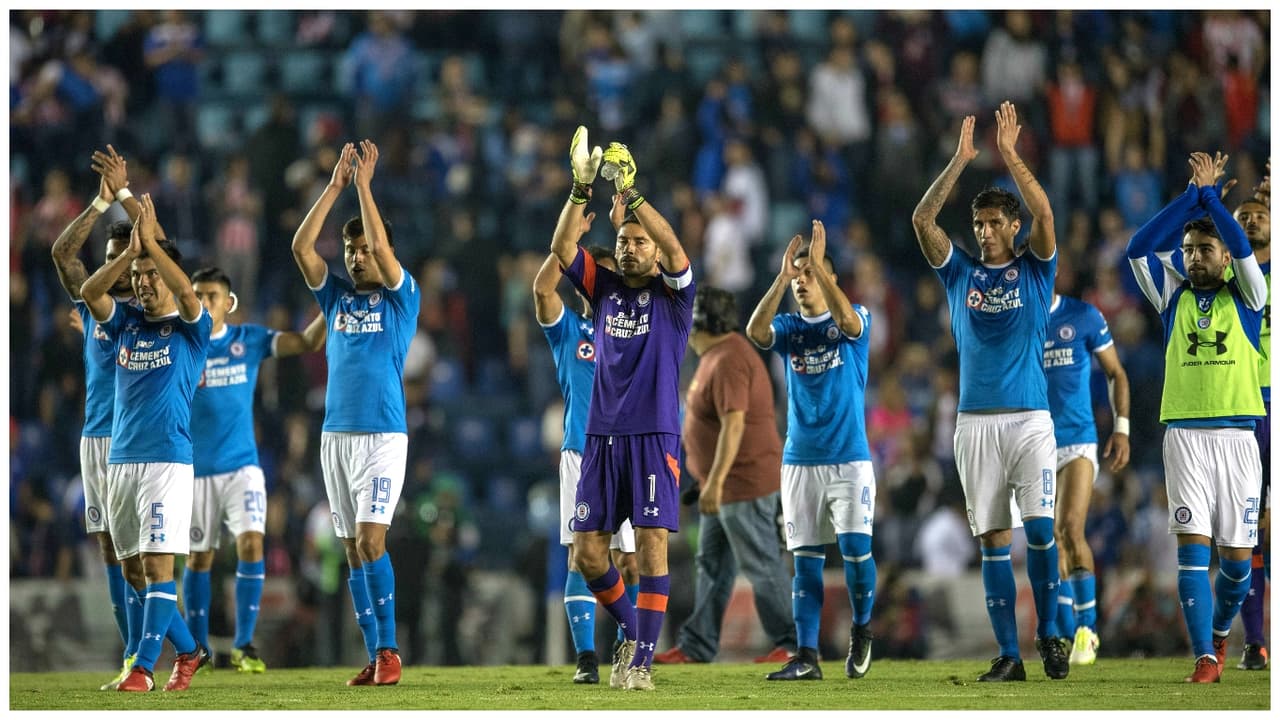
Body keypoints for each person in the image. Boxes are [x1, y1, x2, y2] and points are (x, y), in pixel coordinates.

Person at [910, 103, 1068, 682]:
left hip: (1030, 418)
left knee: (1043, 531)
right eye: (979, 225)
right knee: (994, 541)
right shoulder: (959, 275)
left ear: (1013, 226)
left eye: (996, 222)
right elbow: (923, 222)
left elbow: (1047, 215)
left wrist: (1012, 157)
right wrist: (959, 161)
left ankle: (1051, 631)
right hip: (974, 422)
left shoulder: (1035, 270)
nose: (985, 231)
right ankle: (1009, 655)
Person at [552, 127, 695, 691]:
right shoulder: (605, 288)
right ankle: (638, 635)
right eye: (627, 241)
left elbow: (679, 248)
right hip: (600, 437)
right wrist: (581, 189)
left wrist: (633, 198)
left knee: (653, 548)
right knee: (589, 556)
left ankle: (639, 664)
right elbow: (564, 250)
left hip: (654, 436)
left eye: (641, 242)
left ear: (655, 252)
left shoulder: (676, 297)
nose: (633, 248)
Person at [1126, 151, 1266, 683]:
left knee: (1235, 565)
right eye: (1188, 250)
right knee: (1191, 554)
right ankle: (1205, 656)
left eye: (1204, 249)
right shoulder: (1171, 295)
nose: (1194, 258)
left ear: (1226, 257)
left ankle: (1224, 633)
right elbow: (1139, 248)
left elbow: (1239, 245)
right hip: (1184, 436)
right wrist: (1190, 199)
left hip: (1237, 437)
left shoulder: (1251, 295)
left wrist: (1211, 200)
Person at [292, 140, 419, 687]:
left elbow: (386, 258)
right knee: (349, 550)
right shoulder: (336, 299)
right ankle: (373, 656)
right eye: (350, 249)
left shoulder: (401, 295)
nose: (355, 256)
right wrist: (336, 187)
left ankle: (389, 651)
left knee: (371, 540)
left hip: (382, 436)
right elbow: (302, 248)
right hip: (334, 437)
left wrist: (365, 187)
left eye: (365, 248)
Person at [79, 193, 212, 692]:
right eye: (138, 279)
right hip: (120, 461)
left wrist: (152, 247)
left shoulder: (190, 329)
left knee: (158, 567)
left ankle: (141, 669)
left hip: (166, 462)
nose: (144, 283)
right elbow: (93, 294)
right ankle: (192, 650)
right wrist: (127, 257)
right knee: (134, 571)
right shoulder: (126, 323)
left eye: (151, 274)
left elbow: (187, 290)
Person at [746, 220, 878, 681]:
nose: (803, 281)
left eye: (811, 274)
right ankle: (806, 657)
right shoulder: (789, 329)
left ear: (830, 277)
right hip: (800, 460)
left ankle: (862, 629)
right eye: (799, 276)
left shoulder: (856, 319)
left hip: (849, 458)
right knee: (804, 562)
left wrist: (817, 268)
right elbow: (755, 330)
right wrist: (782, 278)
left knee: (857, 551)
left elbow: (846, 323)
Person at [183, 267, 327, 673]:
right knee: (199, 559)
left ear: (229, 303)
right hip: (196, 472)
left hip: (243, 467)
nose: (204, 302)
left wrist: (331, 307)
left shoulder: (249, 340)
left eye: (212, 296)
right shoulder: (182, 345)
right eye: (197, 295)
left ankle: (245, 644)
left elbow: (306, 341)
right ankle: (196, 649)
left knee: (252, 544)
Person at [653, 285, 796, 667]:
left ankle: (793, 642)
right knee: (713, 567)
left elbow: (734, 425)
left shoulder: (730, 358)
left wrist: (714, 481)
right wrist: (706, 480)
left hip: (741, 484)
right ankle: (698, 644)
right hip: (723, 486)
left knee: (761, 562)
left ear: (700, 322)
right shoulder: (720, 354)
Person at [49, 145, 147, 689]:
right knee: (109, 547)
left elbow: (155, 249)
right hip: (96, 437)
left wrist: (135, 229)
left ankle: (159, 649)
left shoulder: (155, 308)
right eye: (114, 256)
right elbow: (64, 256)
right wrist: (102, 201)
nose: (123, 267)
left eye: (129, 258)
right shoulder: (92, 308)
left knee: (142, 553)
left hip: (141, 439)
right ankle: (132, 651)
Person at [532, 241, 639, 685]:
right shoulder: (568, 329)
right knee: (582, 556)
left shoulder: (636, 330)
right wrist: (565, 244)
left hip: (631, 453)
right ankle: (586, 659)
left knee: (629, 562)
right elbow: (541, 291)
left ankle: (630, 648)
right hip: (582, 452)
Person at [1042, 285, 1131, 666]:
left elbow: (1116, 372)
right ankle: (1064, 631)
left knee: (1069, 528)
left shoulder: (1083, 316)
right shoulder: (1017, 317)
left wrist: (1122, 427)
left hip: (1077, 439)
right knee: (1048, 540)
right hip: (1033, 441)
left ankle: (1087, 629)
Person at [1232, 163, 1270, 671]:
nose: (1253, 221)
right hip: (1242, 406)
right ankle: (1255, 641)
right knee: (1246, 531)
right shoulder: (1224, 274)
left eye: (1260, 214)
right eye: (1242, 216)